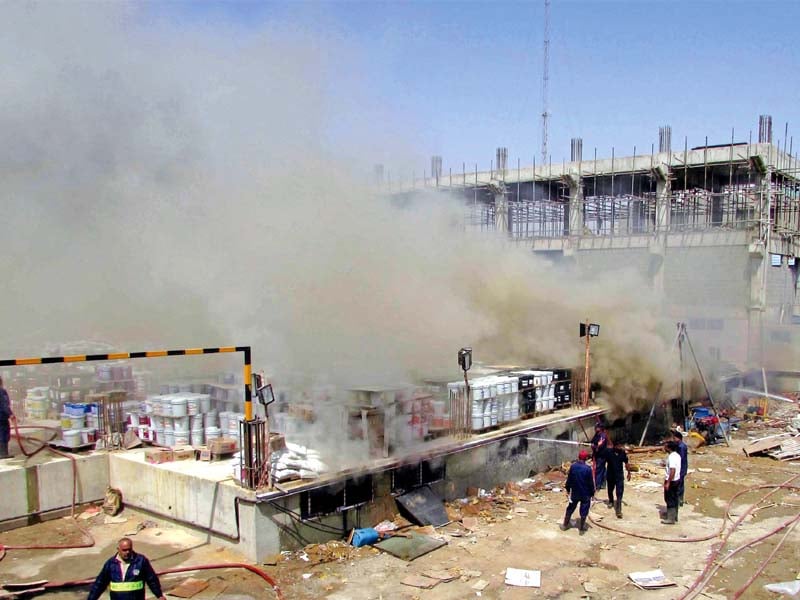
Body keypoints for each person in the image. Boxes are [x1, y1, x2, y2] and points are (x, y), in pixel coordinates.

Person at [87, 538, 166, 600]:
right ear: (118, 549)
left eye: (129, 549)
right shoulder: (111, 564)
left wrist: (159, 595)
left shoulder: (141, 561)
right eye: (124, 550)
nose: (127, 552)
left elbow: (151, 579)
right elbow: (100, 583)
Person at [561, 449, 595, 534]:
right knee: (584, 509)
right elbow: (590, 482)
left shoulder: (573, 466)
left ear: (578, 457)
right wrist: (592, 492)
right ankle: (582, 527)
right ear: (586, 458)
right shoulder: (588, 469)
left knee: (570, 508)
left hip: (575, 492)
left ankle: (565, 525)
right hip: (585, 493)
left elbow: (569, 479)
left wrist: (568, 489)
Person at [605, 439, 631, 518]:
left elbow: (626, 463)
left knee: (619, 492)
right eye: (618, 446)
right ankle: (611, 501)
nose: (620, 447)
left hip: (619, 476)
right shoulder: (609, 452)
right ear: (615, 446)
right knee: (610, 490)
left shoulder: (622, 453)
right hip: (610, 475)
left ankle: (618, 509)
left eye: (621, 446)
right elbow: (602, 461)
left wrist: (629, 473)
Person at [662, 440, 682, 525]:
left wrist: (668, 482)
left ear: (669, 448)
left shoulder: (671, 457)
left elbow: (672, 470)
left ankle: (671, 519)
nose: (664, 448)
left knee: (669, 498)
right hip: (677, 479)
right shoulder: (677, 455)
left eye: (665, 446)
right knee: (675, 498)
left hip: (672, 480)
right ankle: (674, 515)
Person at [590, 422, 609, 490]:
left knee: (598, 470)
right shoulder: (597, 434)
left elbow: (599, 445)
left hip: (601, 455)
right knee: (602, 469)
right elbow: (592, 442)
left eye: (597, 427)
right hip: (597, 454)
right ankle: (603, 484)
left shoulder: (603, 436)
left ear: (600, 428)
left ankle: (597, 485)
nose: (595, 428)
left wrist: (595, 446)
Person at [0, 377, 15, 459]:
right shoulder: (2, 391)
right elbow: (4, 405)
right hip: (2, 418)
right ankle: (3, 454)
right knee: (3, 434)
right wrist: (10, 414)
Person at [673, 430, 689, 507]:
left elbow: (680, 458)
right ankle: (680, 501)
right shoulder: (681, 445)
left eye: (674, 438)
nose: (674, 440)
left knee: (678, 486)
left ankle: (678, 501)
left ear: (678, 438)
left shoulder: (681, 447)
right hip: (682, 468)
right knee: (681, 485)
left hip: (681, 469)